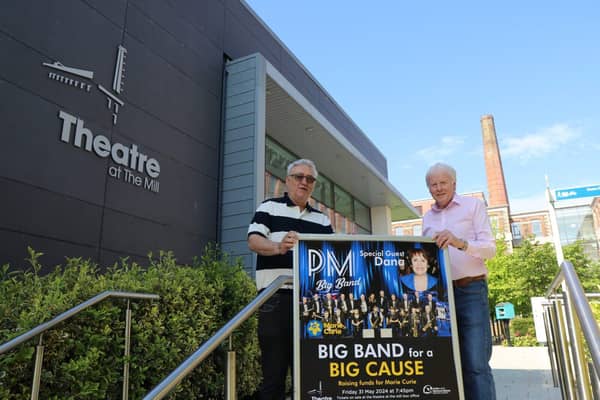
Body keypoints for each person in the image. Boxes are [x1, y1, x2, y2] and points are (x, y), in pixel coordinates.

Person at [247, 159, 334, 400]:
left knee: (310, 376)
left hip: (311, 304)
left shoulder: (323, 220)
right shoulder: (269, 208)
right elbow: (254, 241)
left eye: (309, 179)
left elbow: (332, 258)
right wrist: (278, 247)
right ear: (287, 180)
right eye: (298, 176)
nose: (304, 182)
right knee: (273, 375)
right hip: (275, 298)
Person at [422, 162, 496, 400]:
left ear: (454, 183)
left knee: (476, 363)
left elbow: (490, 250)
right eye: (433, 184)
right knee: (448, 362)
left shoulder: (474, 206)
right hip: (440, 298)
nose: (438, 188)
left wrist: (459, 242)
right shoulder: (426, 218)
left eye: (443, 182)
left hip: (471, 289)